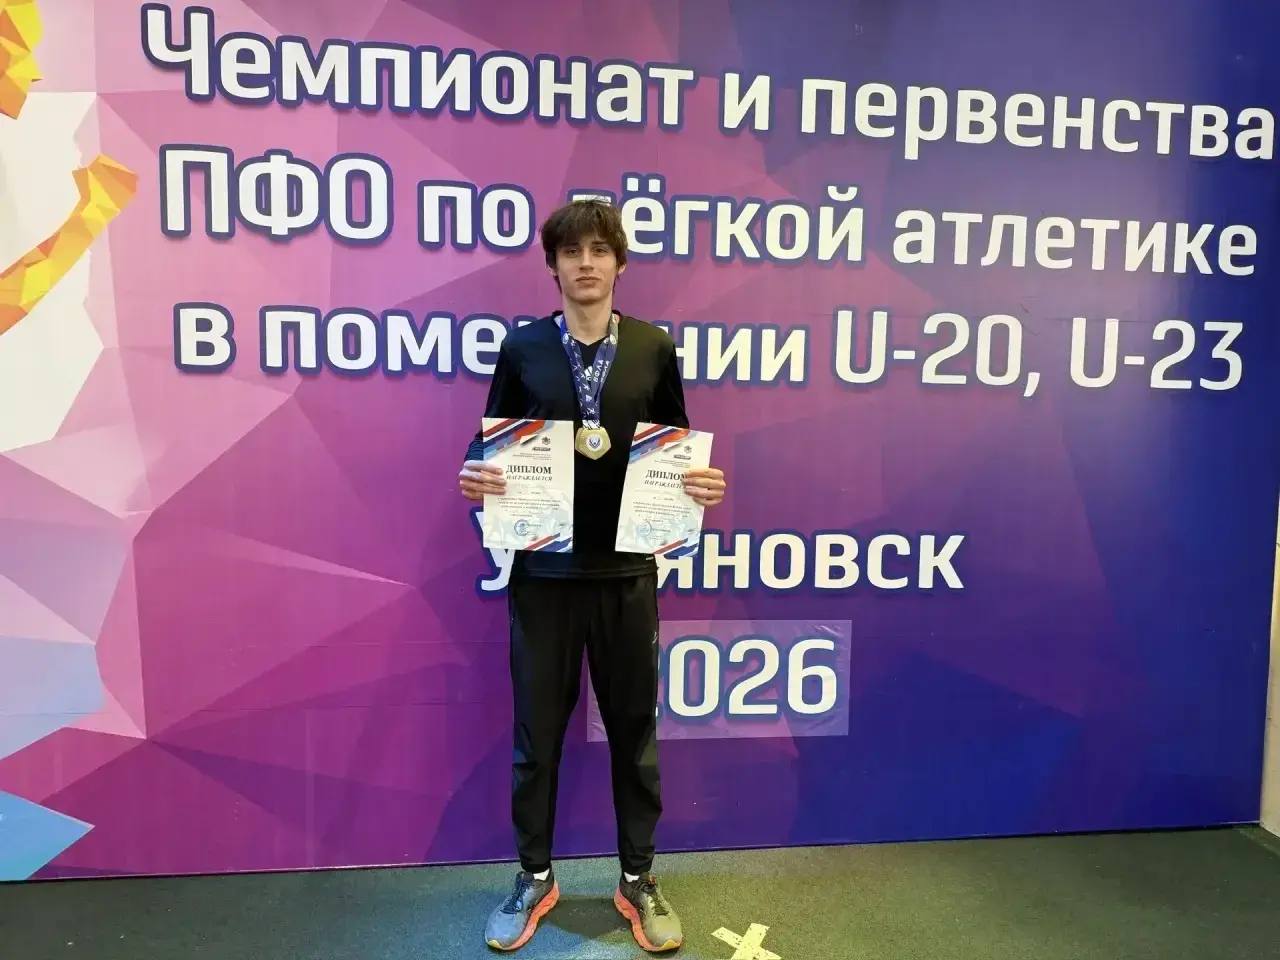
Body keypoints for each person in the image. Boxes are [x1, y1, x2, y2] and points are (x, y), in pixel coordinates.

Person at [458, 199, 726, 953]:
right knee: (536, 738)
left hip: (627, 575)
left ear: (619, 262)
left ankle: (638, 878)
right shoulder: (523, 349)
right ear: (552, 265)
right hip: (543, 574)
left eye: (599, 250)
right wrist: (476, 474)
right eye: (571, 251)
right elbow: (488, 446)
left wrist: (699, 486)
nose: (585, 263)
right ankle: (534, 876)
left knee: (635, 733)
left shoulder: (652, 348)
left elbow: (675, 450)